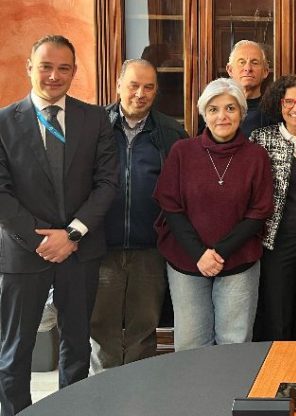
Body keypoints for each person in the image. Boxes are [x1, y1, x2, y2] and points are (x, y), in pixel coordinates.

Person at [0, 35, 118, 415]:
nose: (54, 75)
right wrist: (41, 240)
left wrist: (72, 234)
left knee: (77, 346)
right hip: (23, 254)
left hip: (80, 251)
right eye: (46, 67)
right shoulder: (3, 122)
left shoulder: (95, 119)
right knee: (15, 350)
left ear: (74, 71)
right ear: (29, 68)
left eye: (63, 68)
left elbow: (107, 183)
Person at [153, 78, 272, 350]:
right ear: (203, 114)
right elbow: (170, 206)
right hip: (187, 260)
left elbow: (260, 211)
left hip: (239, 260)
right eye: (213, 109)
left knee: (234, 344)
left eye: (230, 108)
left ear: (242, 113)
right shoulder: (182, 151)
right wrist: (200, 254)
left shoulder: (256, 156)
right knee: (191, 344)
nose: (222, 116)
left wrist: (219, 252)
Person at [89, 59, 187, 373]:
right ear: (118, 85)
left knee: (144, 329)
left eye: (148, 87)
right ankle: (103, 392)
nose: (140, 94)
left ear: (156, 92)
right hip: (101, 247)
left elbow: (182, 191)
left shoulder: (171, 132)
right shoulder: (94, 126)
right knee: (101, 328)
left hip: (151, 248)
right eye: (133, 85)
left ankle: (138, 390)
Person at [250, 75, 296, 341]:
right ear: (279, 104)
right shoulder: (261, 139)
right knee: (278, 316)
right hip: (278, 243)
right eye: (289, 101)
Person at [198, 40, 271, 137]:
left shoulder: (273, 112)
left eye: (255, 63)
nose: (248, 68)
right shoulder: (211, 107)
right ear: (230, 70)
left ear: (265, 71)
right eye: (242, 62)